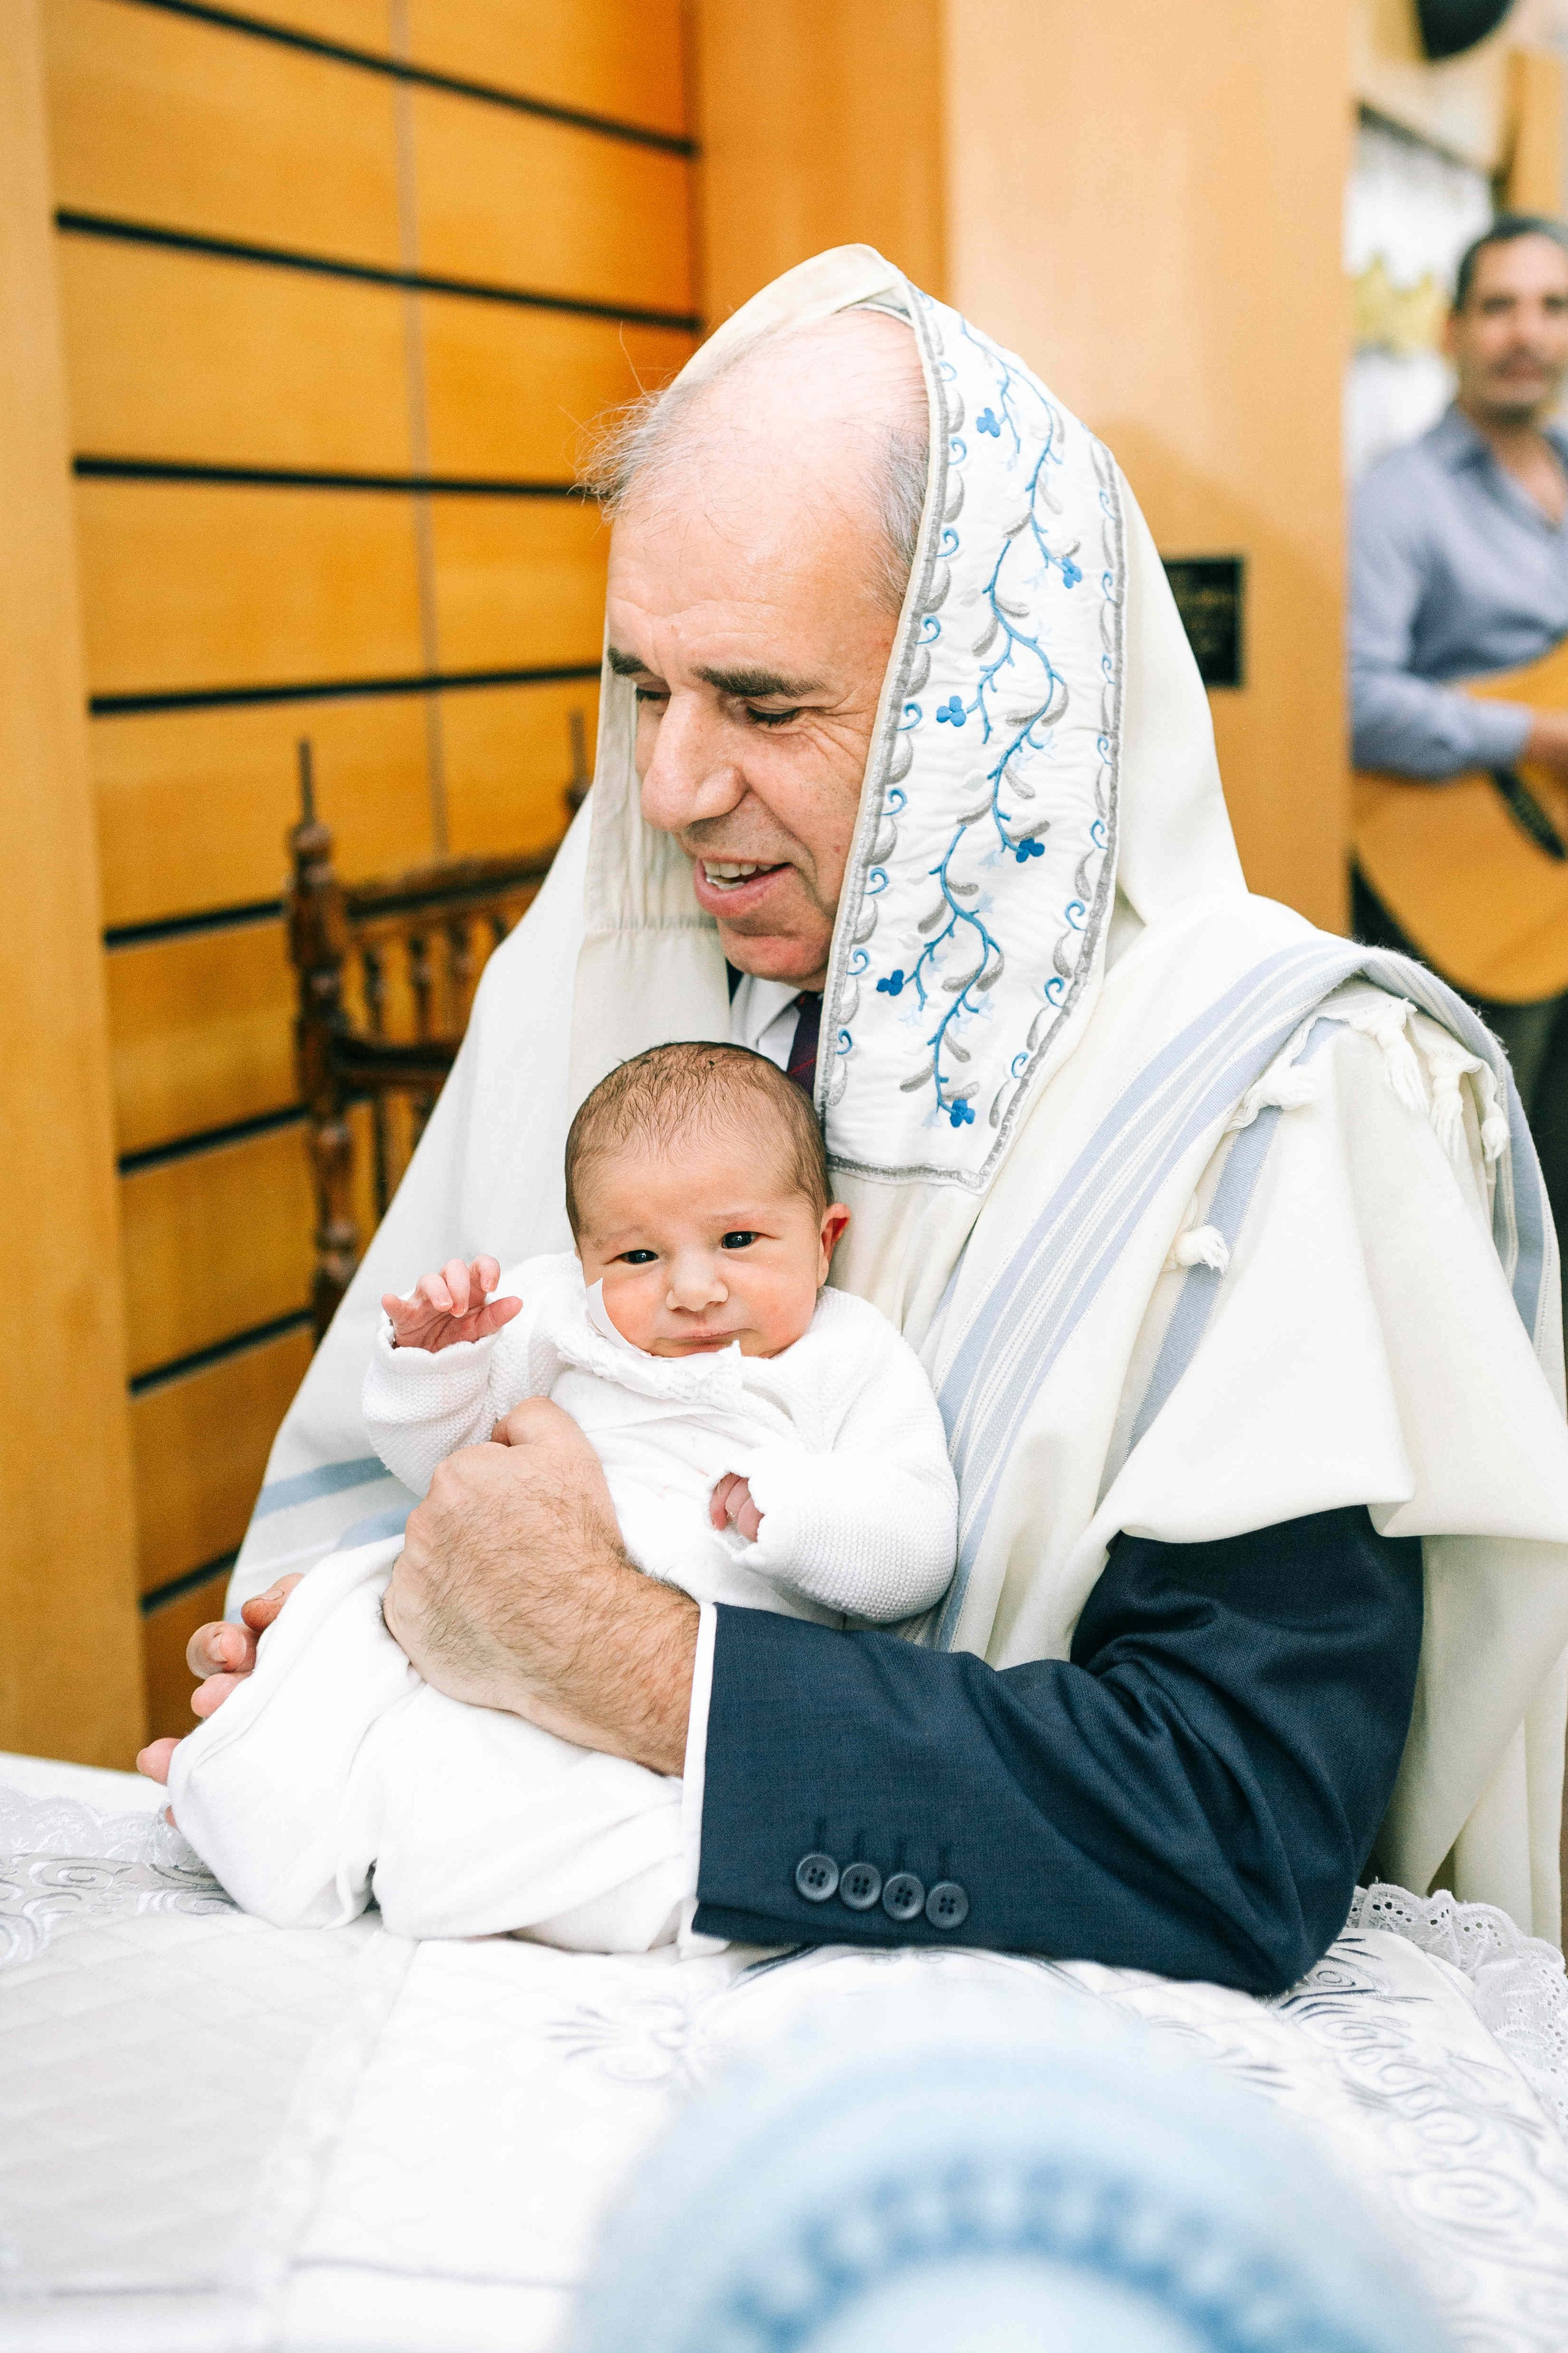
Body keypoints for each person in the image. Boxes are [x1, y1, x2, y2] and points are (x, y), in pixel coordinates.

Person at [149, 246, 1568, 1996]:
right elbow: (454, 1482)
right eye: (644, 688)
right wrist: (361, 1637)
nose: (670, 787)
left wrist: (633, 1664)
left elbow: (1236, 1824)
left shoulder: (1272, 1099)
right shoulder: (598, 994)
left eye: (761, 703)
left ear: (992, 717)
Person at [152, 1044, 956, 1943]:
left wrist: (797, 1516)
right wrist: (436, 1363)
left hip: (671, 1672)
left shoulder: (847, 1355)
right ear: (584, 1262)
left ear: (825, 1238)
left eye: (739, 1241)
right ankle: (255, 1792)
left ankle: (420, 1851)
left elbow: (918, 1548)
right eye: (639, 1254)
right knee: (344, 1618)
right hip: (484, 1616)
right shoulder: (560, 1323)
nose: (693, 1289)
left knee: (570, 1804)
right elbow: (445, 1468)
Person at [1351, 212, 1568, 1109]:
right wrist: (1534, 734)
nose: (1527, 332)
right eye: (1499, 307)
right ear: (1452, 331)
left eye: (1553, 306)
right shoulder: (1400, 495)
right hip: (1475, 886)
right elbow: (1352, 698)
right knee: (1500, 1173)